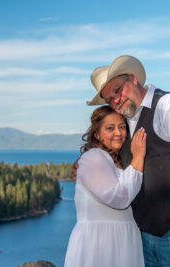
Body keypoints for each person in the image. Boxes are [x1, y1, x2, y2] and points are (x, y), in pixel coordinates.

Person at [74, 55, 170, 266]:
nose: (115, 100)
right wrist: (84, 167)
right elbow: (117, 163)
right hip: (147, 235)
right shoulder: (124, 121)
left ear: (133, 79)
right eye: (109, 99)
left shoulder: (169, 105)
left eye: (118, 90)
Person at [65, 105, 147, 267]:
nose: (118, 133)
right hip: (99, 244)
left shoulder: (120, 161)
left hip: (124, 240)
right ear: (97, 134)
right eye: (110, 128)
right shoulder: (94, 157)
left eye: (122, 127)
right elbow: (119, 198)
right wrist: (139, 156)